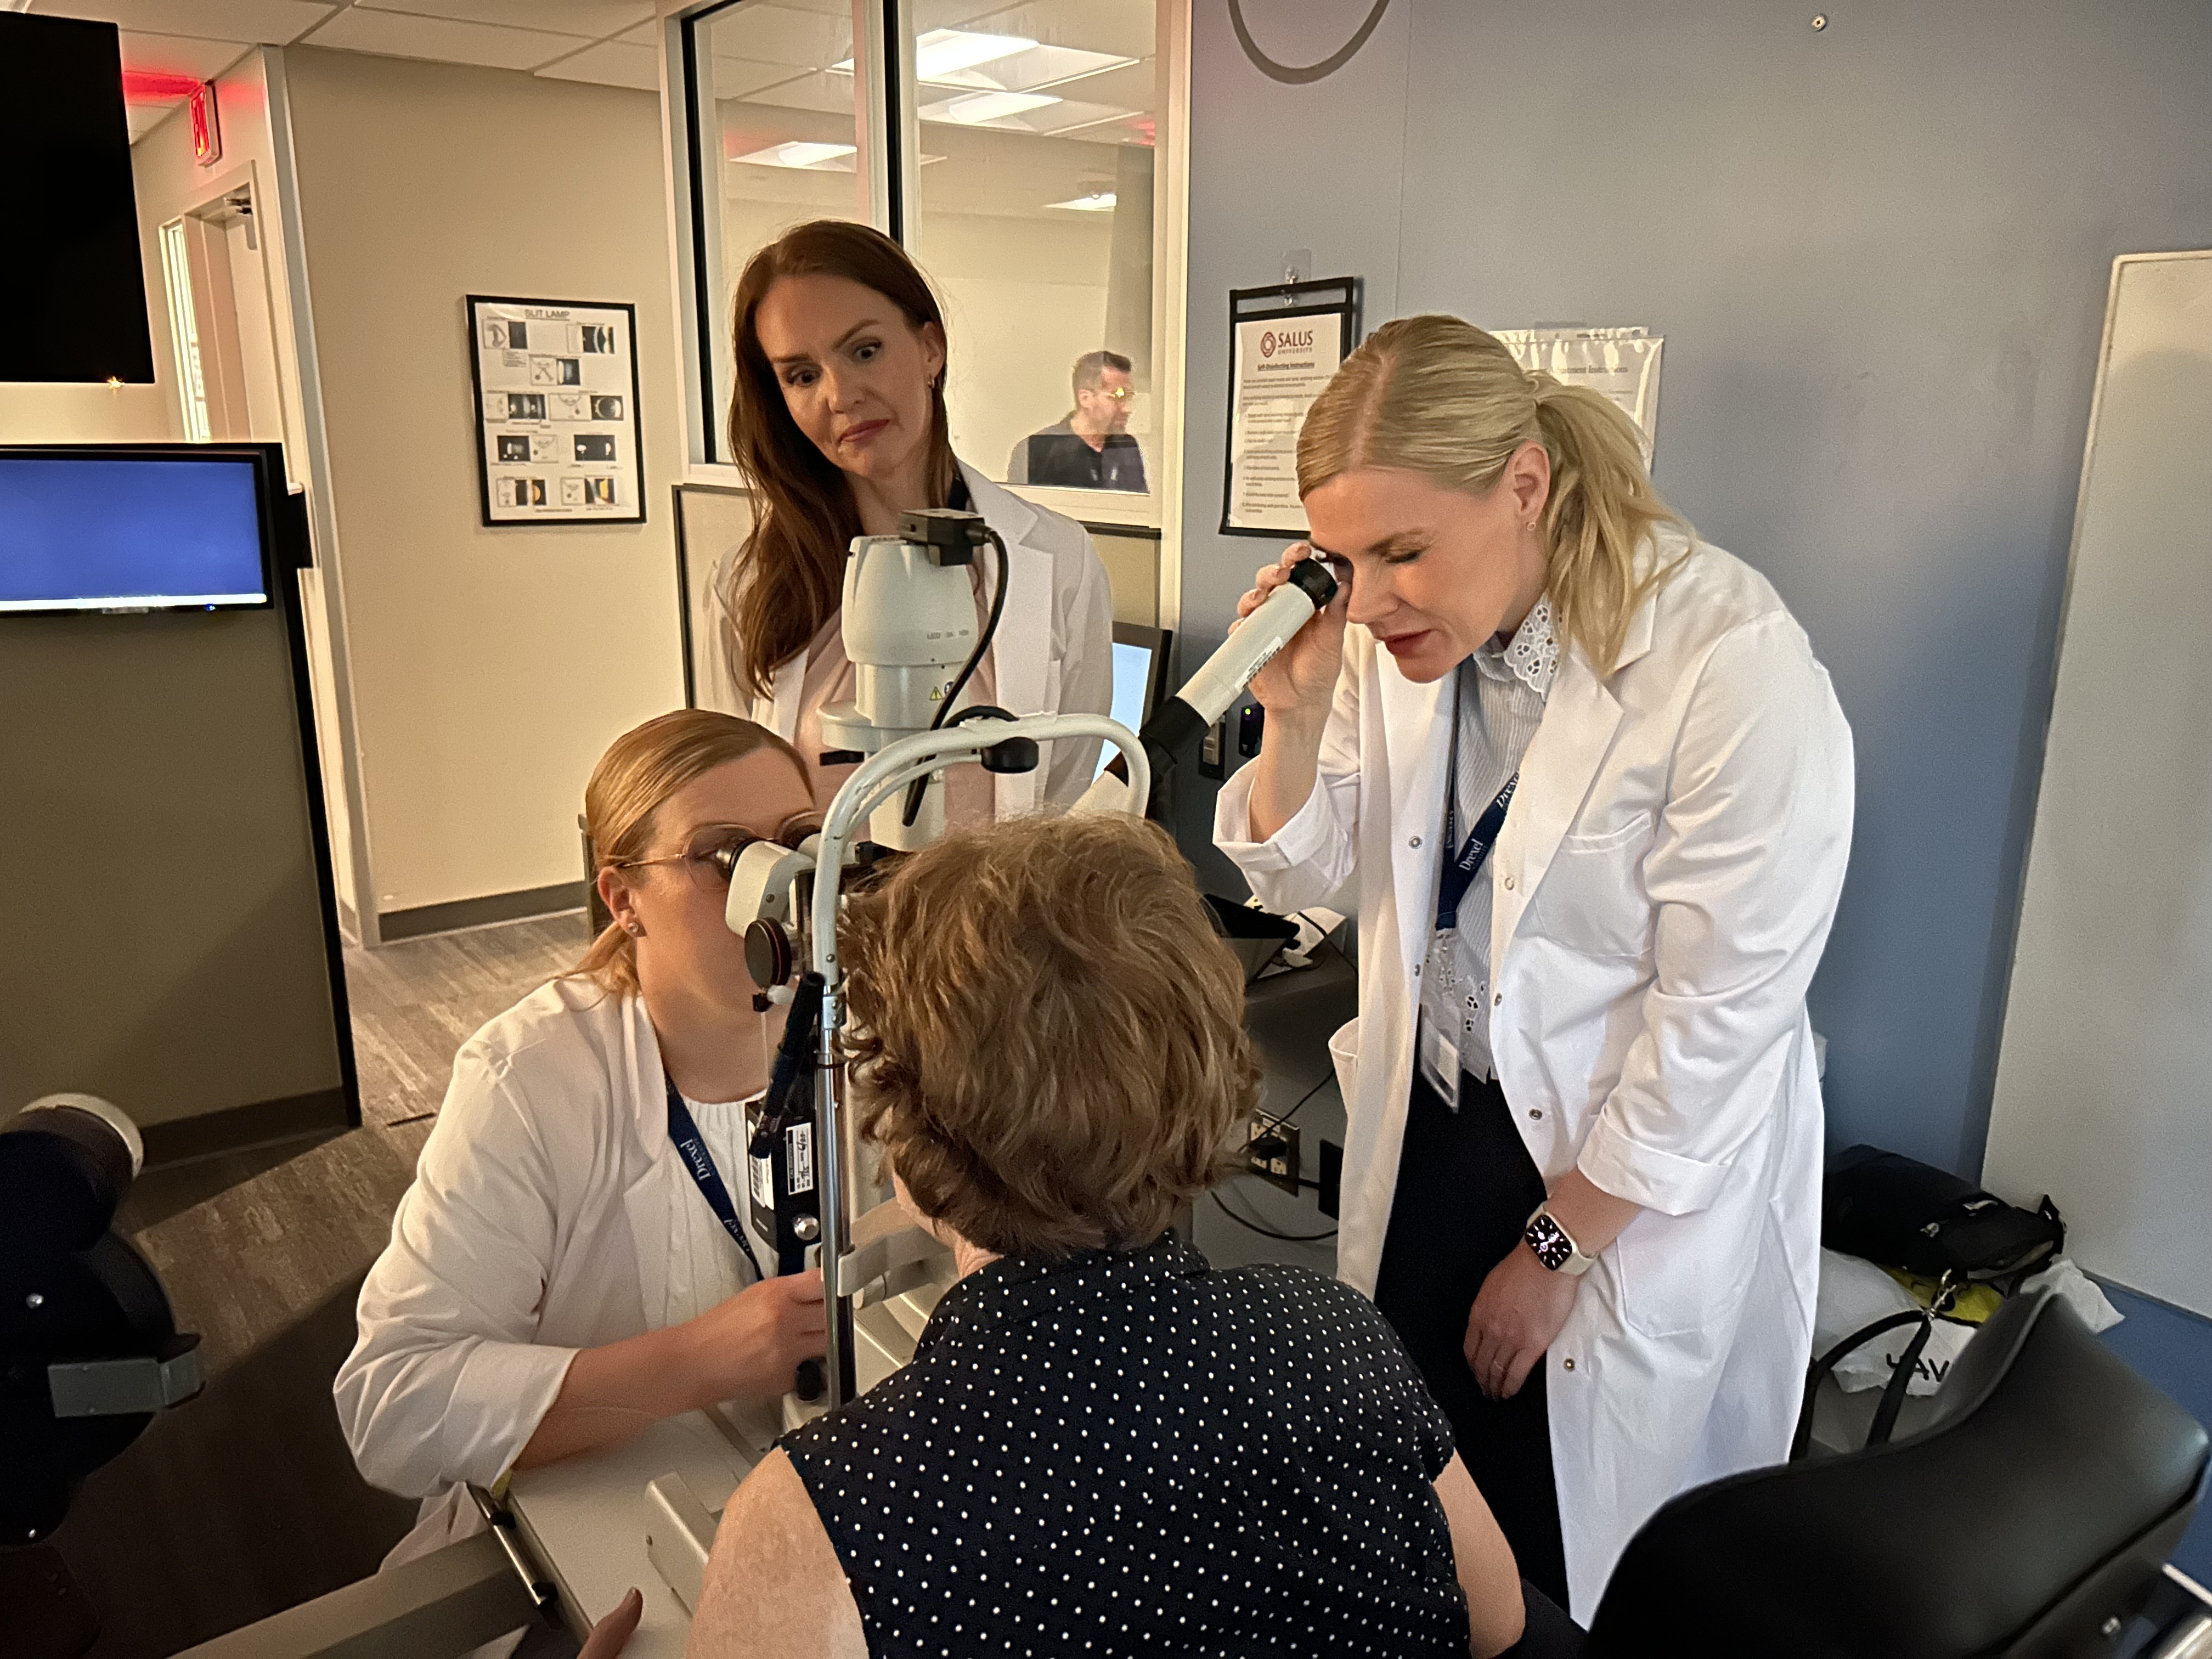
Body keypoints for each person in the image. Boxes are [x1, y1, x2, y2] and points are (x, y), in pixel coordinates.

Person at [1214, 315, 1854, 1620]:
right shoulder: (1398, 647)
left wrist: (1558, 1250)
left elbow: (1724, 1015)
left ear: (1524, 485)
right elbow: (1310, 869)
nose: (1377, 594)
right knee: (1417, 1495)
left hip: (1620, 1177)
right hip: (1438, 1125)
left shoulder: (1725, 657)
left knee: (1559, 1548)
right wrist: (1290, 706)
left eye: (1404, 550)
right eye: (1345, 558)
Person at [686, 813, 1532, 1659]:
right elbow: (1498, 1624)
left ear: (904, 1135)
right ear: (1210, 1076)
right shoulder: (1336, 1337)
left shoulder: (823, 1517)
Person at [336, 711, 830, 1563]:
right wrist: (697, 1362)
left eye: (798, 843)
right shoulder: (528, 1078)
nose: (776, 889)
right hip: (576, 1546)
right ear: (623, 897)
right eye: (724, 855)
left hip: (802, 1517)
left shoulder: (867, 1039)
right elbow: (392, 1406)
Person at [715, 221, 1114, 819]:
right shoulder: (748, 586)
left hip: (1001, 911)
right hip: (827, 911)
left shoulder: (1059, 561)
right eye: (802, 375)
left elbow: (1068, 801)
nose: (839, 395)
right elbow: (734, 807)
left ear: (931, 348)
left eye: (865, 351)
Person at [1005, 348, 1148, 492]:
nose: (1127, 408)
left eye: (1129, 396)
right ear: (1085, 398)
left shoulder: (1127, 448)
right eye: (1118, 396)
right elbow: (1019, 510)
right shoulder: (1037, 451)